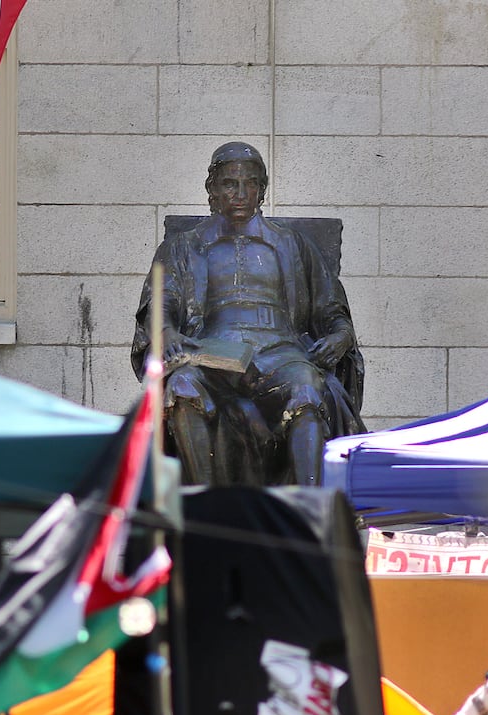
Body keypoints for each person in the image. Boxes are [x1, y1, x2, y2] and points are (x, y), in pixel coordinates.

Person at [131, 141, 365, 487]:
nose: (240, 193)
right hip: (211, 355)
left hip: (281, 355)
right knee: (181, 387)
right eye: (229, 183)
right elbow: (161, 302)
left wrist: (339, 338)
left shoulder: (292, 244)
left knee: (306, 391)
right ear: (212, 189)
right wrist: (166, 332)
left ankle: (312, 512)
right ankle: (206, 508)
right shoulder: (183, 246)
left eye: (250, 183)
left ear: (262, 190)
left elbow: (332, 310)